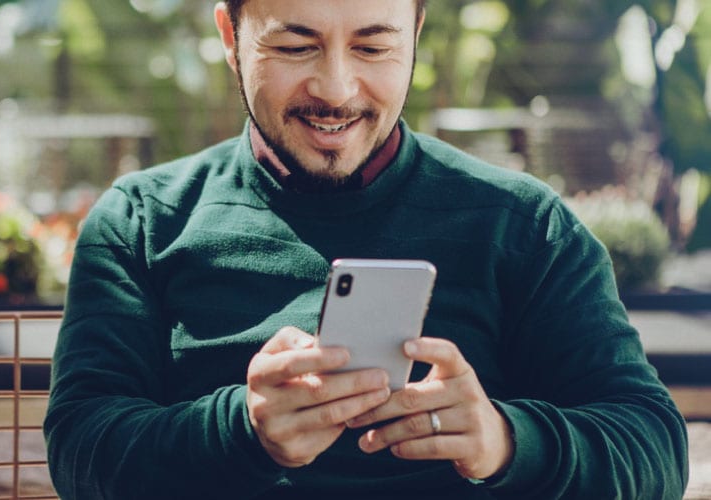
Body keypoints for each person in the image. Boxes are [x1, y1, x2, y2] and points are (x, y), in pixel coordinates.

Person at [43, 0, 688, 498]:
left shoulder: (525, 226)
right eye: (297, 45)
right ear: (230, 39)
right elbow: (81, 451)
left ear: (416, 33)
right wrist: (241, 430)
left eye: (373, 46)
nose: (337, 89)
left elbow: (654, 447)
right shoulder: (141, 221)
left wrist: (506, 441)